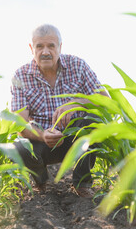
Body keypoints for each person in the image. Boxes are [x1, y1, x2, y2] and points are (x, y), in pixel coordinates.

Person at [10, 24, 108, 198]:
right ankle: (41, 182)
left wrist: (75, 103)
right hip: (42, 143)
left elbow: (104, 99)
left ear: (60, 47)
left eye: (51, 46)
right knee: (19, 147)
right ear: (32, 48)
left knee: (92, 121)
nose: (45, 51)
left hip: (76, 141)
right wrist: (43, 135)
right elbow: (20, 124)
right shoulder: (21, 76)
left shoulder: (77, 66)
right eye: (40, 46)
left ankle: (82, 183)